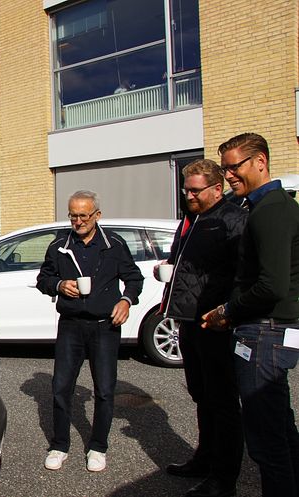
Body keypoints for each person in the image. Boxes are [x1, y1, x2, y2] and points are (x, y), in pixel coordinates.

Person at [202, 133, 299, 496]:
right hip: (267, 332)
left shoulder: (271, 209)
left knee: (266, 442)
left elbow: (272, 285)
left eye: (234, 166)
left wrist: (228, 310)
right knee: (279, 428)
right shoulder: (264, 206)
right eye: (225, 168)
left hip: (265, 334)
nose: (228, 175)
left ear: (260, 161)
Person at [36, 190, 143, 472]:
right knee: (60, 389)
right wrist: (58, 285)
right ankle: (59, 445)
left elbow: (134, 278)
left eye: (84, 215)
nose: (78, 221)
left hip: (104, 327)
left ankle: (98, 446)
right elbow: (43, 279)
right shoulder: (59, 245)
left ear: (97, 215)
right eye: (73, 216)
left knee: (105, 390)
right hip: (70, 326)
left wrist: (126, 300)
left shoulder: (114, 245)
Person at [158, 159, 246, 497]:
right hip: (190, 320)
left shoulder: (232, 219)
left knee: (223, 402)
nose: (189, 195)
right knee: (201, 396)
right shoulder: (192, 219)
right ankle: (205, 458)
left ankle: (224, 480)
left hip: (216, 324)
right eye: (186, 189)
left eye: (195, 190)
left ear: (216, 188)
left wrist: (226, 311)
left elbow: (241, 273)